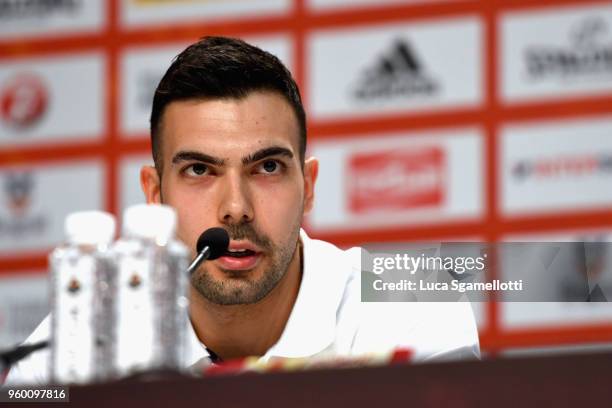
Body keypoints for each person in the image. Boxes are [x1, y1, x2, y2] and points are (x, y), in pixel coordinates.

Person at [4, 36, 479, 385]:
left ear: (308, 187)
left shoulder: (411, 307)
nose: (235, 209)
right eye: (198, 171)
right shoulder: (75, 348)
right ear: (155, 194)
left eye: (267, 167)